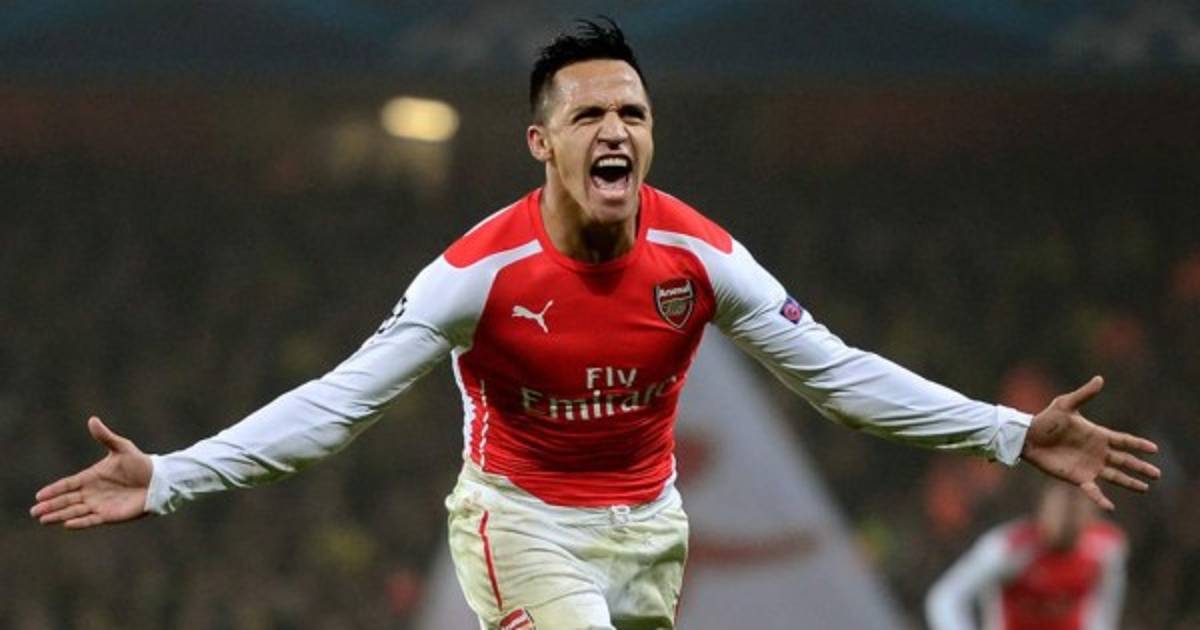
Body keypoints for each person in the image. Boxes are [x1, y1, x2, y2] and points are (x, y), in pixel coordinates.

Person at [31, 18, 1159, 630]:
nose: (616, 128)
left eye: (634, 112)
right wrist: (170, 477)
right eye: (589, 115)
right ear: (543, 144)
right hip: (518, 522)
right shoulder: (475, 274)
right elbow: (337, 405)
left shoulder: (700, 256)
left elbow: (837, 375)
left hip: (650, 527)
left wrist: (1012, 434)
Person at [925, 481, 1128, 630]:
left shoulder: (1107, 548)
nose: (1068, 518)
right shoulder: (1008, 548)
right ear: (1043, 508)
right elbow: (945, 598)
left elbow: (1106, 605)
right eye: (1061, 507)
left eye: (1078, 507)